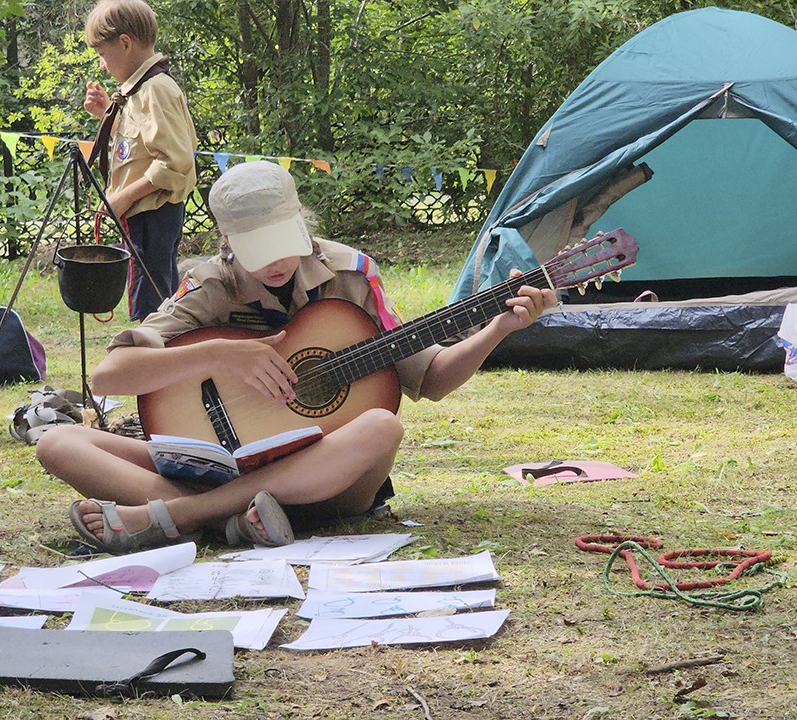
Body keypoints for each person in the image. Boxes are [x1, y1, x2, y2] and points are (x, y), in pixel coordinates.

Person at [36, 161, 555, 554]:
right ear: (228, 243)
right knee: (58, 442)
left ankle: (176, 516)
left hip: (325, 484)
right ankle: (233, 523)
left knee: (381, 426)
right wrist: (219, 355)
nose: (278, 263)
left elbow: (433, 379)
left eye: (285, 243)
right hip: (223, 464)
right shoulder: (211, 284)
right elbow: (109, 377)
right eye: (258, 250)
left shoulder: (353, 275)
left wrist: (498, 328)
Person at [83, 0, 199, 321]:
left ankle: (155, 361)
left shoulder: (155, 90)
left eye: (103, 55)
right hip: (145, 218)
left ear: (124, 43)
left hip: (153, 217)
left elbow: (174, 164)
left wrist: (122, 197)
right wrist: (106, 113)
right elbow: (142, 148)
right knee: (156, 299)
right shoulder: (138, 91)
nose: (103, 66)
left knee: (153, 307)